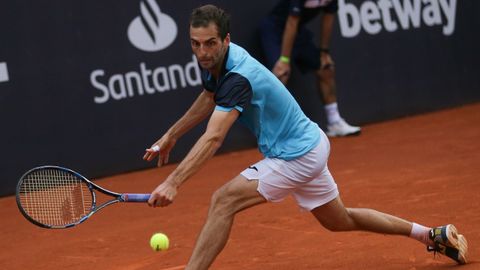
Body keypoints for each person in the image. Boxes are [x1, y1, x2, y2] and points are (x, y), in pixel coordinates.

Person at [143, 4, 468, 269]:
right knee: (340, 220)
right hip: (309, 143)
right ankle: (429, 234)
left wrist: (173, 181)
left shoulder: (238, 77)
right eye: (195, 44)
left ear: (225, 39)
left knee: (222, 200)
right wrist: (171, 135)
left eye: (210, 43)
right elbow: (209, 95)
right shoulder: (221, 61)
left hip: (295, 155)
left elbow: (213, 138)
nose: (202, 52)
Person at [260, 0, 361, 137]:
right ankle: (270, 131)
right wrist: (284, 60)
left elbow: (328, 18)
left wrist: (324, 52)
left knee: (325, 68)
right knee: (280, 75)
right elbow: (291, 22)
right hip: (275, 31)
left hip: (297, 33)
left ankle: (334, 122)